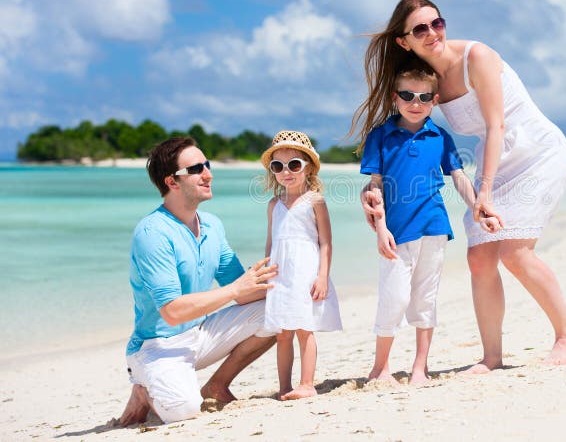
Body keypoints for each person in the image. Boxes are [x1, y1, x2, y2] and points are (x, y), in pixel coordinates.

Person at [355, 0, 566, 372]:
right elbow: (402, 140)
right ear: (403, 41)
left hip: (537, 153)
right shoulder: (426, 84)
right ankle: (492, 357)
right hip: (495, 161)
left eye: (437, 23)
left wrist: (486, 193)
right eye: (420, 29)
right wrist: (373, 190)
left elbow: (497, 125)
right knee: (479, 259)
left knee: (513, 251)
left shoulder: (475, 57)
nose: (432, 33)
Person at [114, 137, 277, 426]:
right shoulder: (152, 233)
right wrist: (236, 289)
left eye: (207, 165)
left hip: (200, 334)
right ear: (172, 182)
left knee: (279, 310)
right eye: (196, 169)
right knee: (184, 410)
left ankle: (217, 386)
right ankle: (143, 390)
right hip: (156, 346)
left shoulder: (213, 225)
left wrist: (290, 281)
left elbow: (241, 289)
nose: (208, 174)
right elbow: (172, 311)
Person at [354, 67, 499, 385]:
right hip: (395, 232)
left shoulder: (440, 137)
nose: (415, 102)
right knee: (393, 297)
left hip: (434, 226)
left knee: (426, 298)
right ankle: (381, 368)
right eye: (407, 95)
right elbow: (374, 186)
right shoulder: (381, 135)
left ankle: (421, 367)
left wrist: (479, 207)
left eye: (423, 97)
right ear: (396, 98)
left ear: (434, 100)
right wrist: (380, 229)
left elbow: (459, 177)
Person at [260, 131, 342, 400]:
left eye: (294, 164)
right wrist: (264, 274)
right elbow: (271, 244)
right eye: (278, 166)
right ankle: (285, 387)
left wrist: (322, 276)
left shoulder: (315, 200)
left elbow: (326, 243)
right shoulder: (274, 204)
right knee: (282, 334)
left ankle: (307, 384)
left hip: (305, 274)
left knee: (304, 329)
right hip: (280, 276)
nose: (287, 172)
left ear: (308, 168)